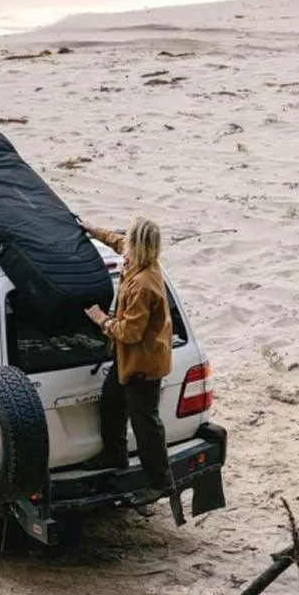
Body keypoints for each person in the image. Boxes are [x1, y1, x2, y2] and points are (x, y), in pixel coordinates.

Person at [81, 216, 176, 505]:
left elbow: (130, 333)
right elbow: (116, 240)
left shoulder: (143, 285)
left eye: (130, 239)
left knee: (146, 423)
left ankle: (161, 482)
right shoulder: (138, 259)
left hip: (142, 364)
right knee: (112, 401)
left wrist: (101, 319)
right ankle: (115, 455)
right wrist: (91, 229)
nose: (125, 245)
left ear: (138, 245)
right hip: (128, 360)